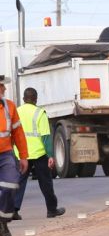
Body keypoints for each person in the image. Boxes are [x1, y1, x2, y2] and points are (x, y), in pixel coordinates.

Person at [15, 88, 65, 221]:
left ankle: (13, 210)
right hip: (38, 153)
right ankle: (51, 210)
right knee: (45, 182)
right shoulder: (40, 113)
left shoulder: (16, 112)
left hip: (21, 154)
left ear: (24, 99)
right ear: (36, 99)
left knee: (18, 182)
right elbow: (46, 137)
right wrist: (50, 156)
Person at [0, 75, 30, 236]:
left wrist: (24, 156)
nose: (4, 89)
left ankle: (2, 221)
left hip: (5, 154)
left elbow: (18, 133)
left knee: (11, 184)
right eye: (1, 86)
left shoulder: (9, 107)